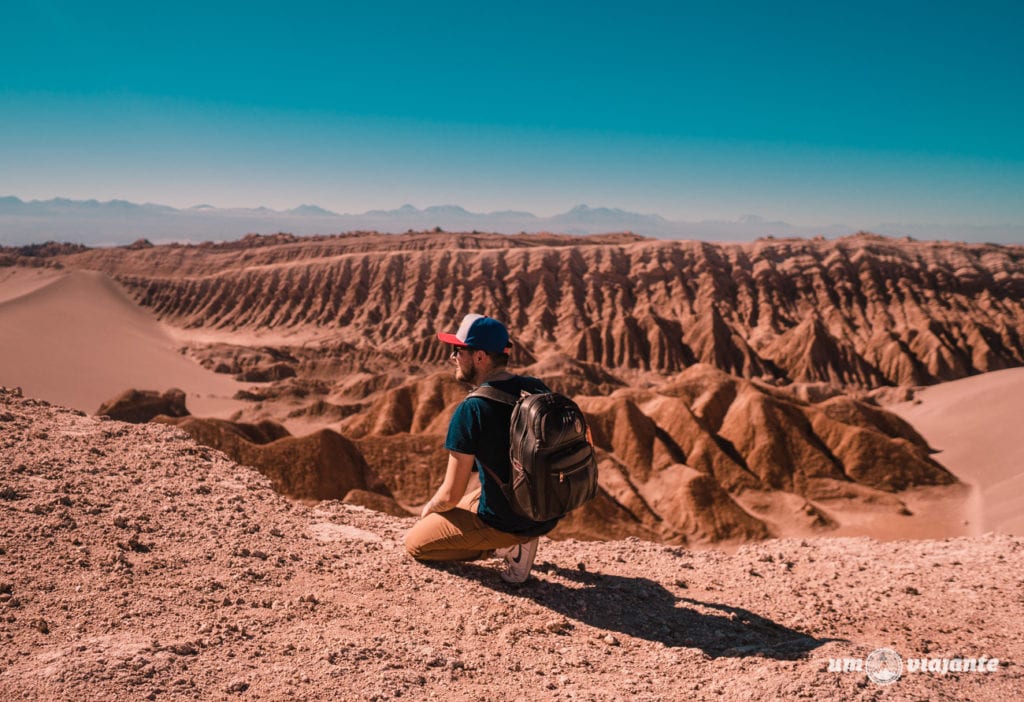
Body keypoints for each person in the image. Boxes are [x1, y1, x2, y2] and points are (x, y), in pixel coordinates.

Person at [404, 313, 559, 582]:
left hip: (509, 519)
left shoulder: (472, 409)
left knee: (416, 543)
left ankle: (506, 545)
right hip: (547, 509)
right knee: (468, 503)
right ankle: (520, 535)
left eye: (458, 350)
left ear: (479, 357)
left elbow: (450, 495)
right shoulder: (536, 388)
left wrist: (428, 509)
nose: (453, 357)